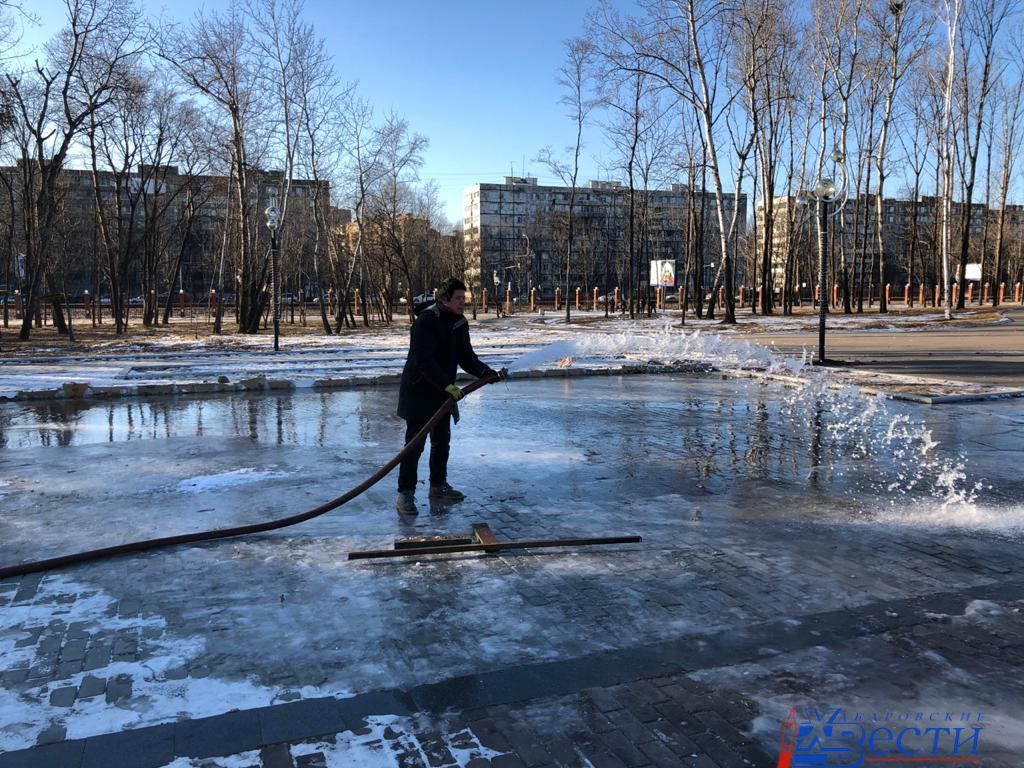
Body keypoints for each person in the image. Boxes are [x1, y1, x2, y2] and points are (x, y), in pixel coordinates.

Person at [396, 277, 506, 515]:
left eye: (463, 299)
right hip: (418, 392)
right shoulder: (425, 322)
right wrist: (447, 385)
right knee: (413, 447)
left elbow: (466, 356)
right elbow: (422, 361)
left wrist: (484, 372)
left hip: (442, 394)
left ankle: (437, 486)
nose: (462, 303)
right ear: (444, 298)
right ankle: (405, 495)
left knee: (441, 442)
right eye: (458, 298)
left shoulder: (458, 323)